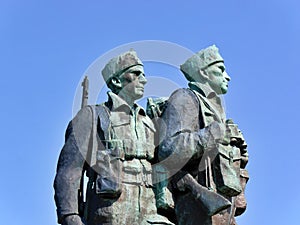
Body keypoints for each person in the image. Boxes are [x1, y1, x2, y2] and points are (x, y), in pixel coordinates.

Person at [54, 50, 173, 225]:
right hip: (110, 215)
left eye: (144, 74)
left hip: (151, 216)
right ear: (117, 81)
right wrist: (70, 216)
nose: (144, 80)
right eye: (136, 73)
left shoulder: (150, 122)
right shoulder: (93, 116)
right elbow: (69, 171)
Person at [157, 45, 249, 225]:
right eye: (220, 69)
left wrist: (239, 153)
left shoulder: (216, 111)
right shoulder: (185, 98)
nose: (227, 76)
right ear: (204, 73)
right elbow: (169, 148)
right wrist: (213, 134)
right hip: (196, 202)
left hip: (223, 205)